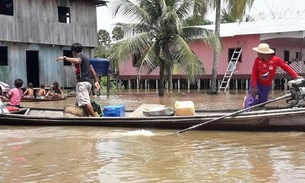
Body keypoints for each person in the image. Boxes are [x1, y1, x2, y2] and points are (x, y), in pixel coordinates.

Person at [243, 43, 302, 109]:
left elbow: (286, 67)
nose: (257, 54)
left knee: (263, 102)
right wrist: (254, 86)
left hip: (266, 85)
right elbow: (254, 73)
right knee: (251, 98)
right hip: (256, 82)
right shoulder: (257, 60)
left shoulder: (276, 60)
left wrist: (295, 76)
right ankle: (247, 109)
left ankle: (250, 104)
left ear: (264, 54)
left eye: (258, 52)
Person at [56, 43, 100, 117]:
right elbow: (92, 70)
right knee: (78, 102)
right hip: (88, 83)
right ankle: (81, 116)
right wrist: (96, 81)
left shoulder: (79, 56)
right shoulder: (86, 59)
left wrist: (64, 58)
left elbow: (77, 61)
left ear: (73, 51)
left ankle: (95, 118)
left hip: (82, 83)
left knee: (86, 102)